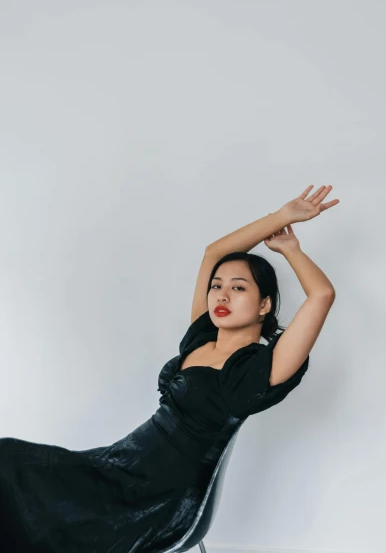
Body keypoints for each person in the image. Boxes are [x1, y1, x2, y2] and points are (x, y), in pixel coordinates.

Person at [0, 184, 338, 552]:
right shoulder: (201, 336)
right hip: (117, 465)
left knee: (15, 478)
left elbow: (321, 295)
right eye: (217, 287)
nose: (221, 295)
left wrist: (290, 249)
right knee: (9, 459)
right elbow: (215, 253)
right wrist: (282, 216)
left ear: (264, 305)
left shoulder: (259, 369)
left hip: (156, 499)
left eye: (238, 288)